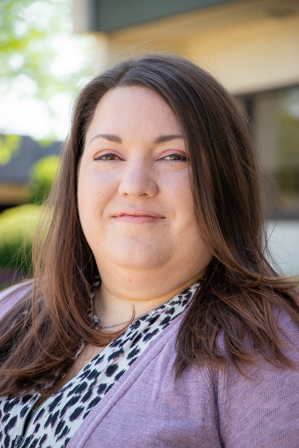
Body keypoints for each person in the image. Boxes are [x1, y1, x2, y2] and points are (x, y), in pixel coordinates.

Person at [0, 53, 299, 448]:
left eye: (173, 156)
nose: (135, 184)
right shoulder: (13, 309)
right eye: (109, 155)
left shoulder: (269, 344)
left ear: (222, 182)